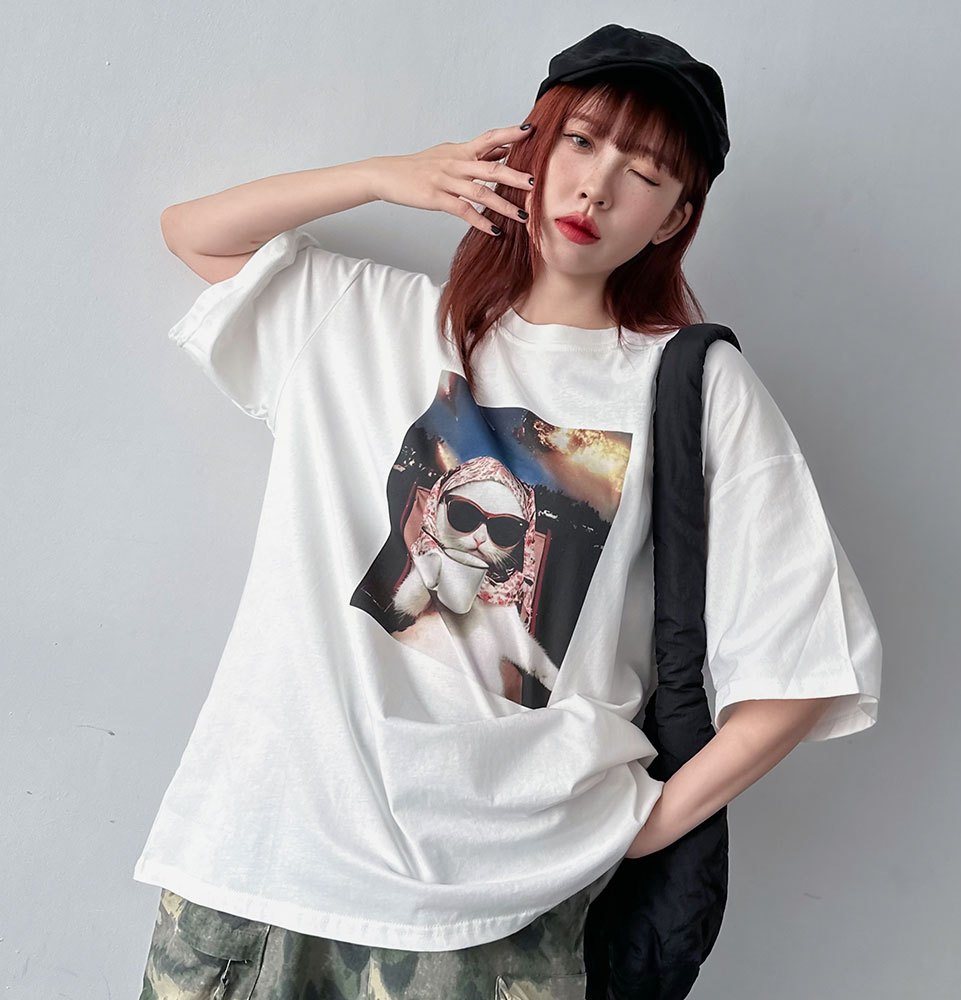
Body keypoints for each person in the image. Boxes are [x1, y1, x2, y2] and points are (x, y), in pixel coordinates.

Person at [135, 24, 882, 1000]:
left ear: (673, 218)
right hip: (259, 858)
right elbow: (193, 232)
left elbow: (805, 666)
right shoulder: (367, 318)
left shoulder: (691, 387)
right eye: (580, 140)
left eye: (644, 172)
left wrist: (644, 826)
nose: (597, 188)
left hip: (494, 913)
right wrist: (386, 175)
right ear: (527, 147)